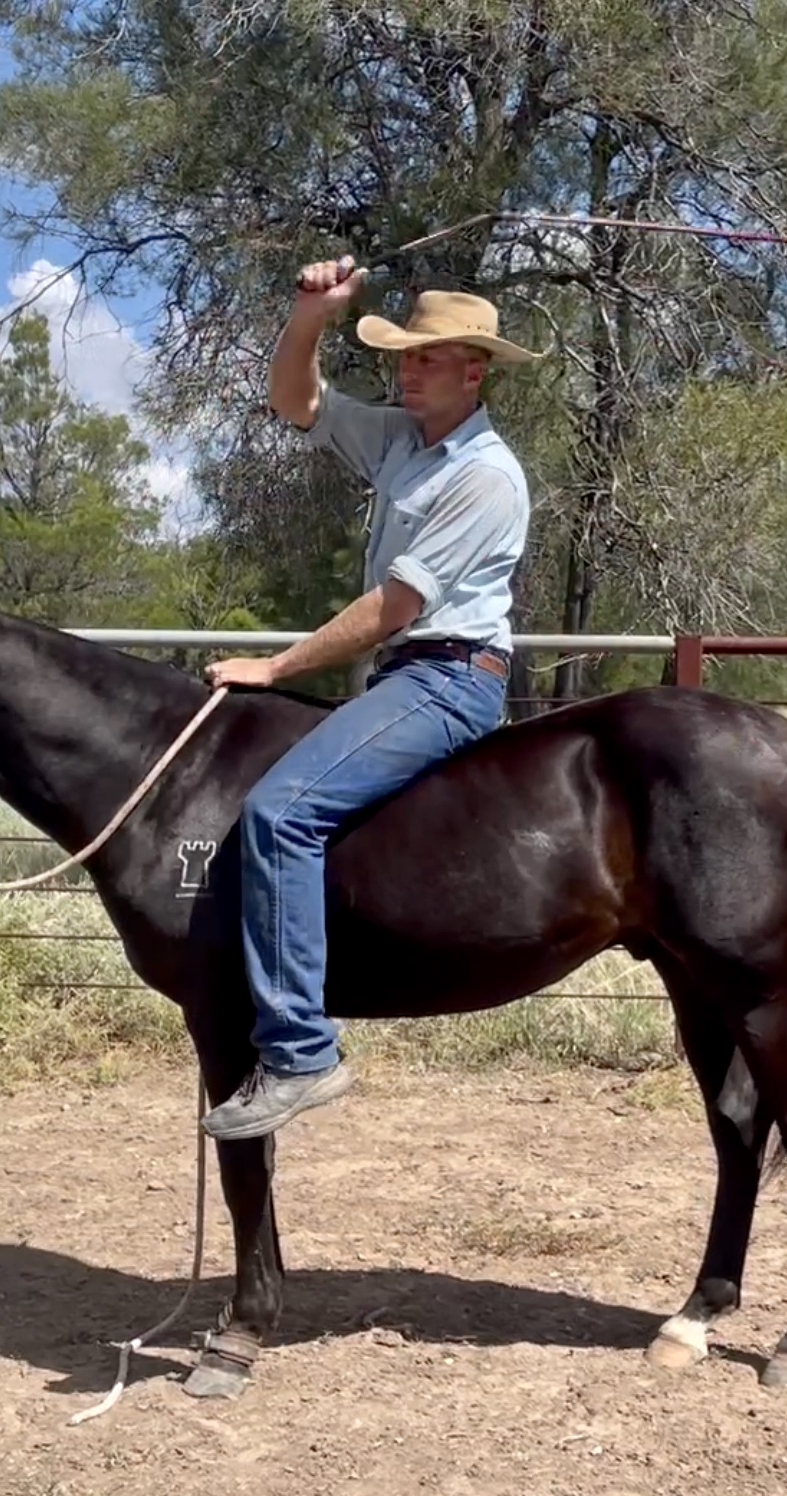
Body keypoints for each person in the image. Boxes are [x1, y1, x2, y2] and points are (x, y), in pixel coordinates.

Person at [198, 254, 541, 1141]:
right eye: (404, 355)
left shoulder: (487, 476)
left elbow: (395, 607)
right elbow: (296, 401)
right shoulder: (398, 440)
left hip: (452, 678)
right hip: (407, 676)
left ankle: (300, 1053)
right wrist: (313, 311)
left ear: (475, 373)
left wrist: (277, 668)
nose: (407, 370)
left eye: (426, 358)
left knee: (280, 812)